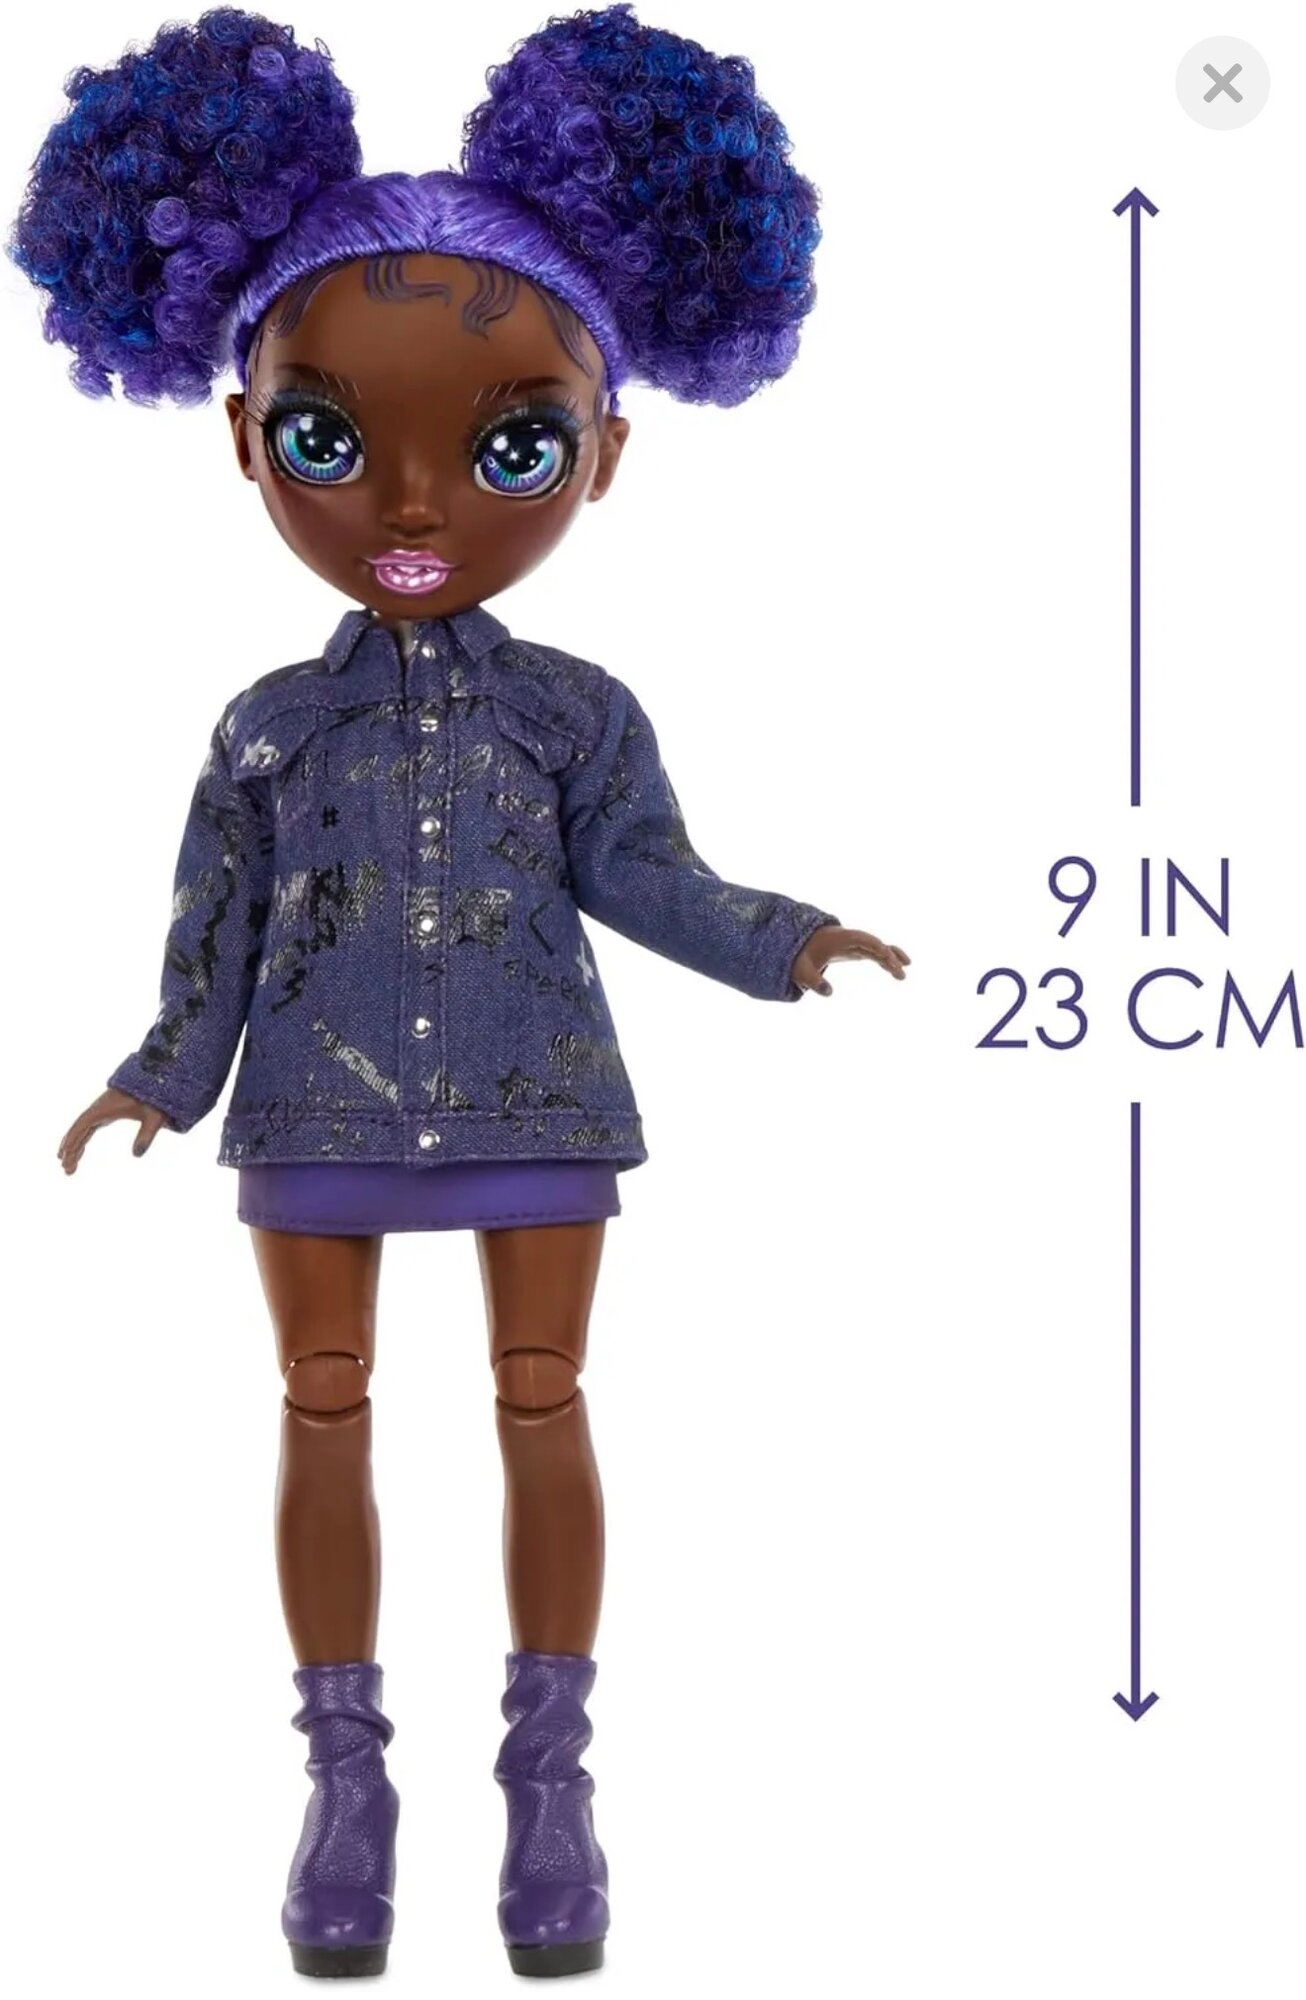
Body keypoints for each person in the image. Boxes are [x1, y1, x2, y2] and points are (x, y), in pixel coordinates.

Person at [12, 4, 910, 1978]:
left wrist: (787, 939)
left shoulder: (576, 713)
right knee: (319, 1399)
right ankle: (345, 1781)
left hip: (535, 1094)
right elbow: (211, 928)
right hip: (312, 1105)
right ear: (245, 439)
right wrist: (157, 1074)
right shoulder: (263, 724)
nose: (414, 505)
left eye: (507, 447)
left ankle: (550, 1780)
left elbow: (644, 874)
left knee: (541, 1393)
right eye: (329, 442)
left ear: (603, 455)